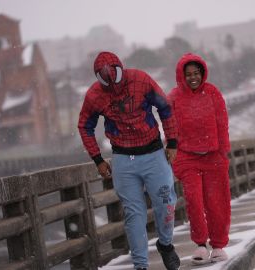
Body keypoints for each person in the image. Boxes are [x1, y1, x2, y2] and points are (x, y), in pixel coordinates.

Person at [78, 51, 180, 270]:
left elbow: (164, 106)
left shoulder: (140, 80)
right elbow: (85, 126)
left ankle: (166, 244)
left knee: (166, 202)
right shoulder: (95, 95)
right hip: (123, 159)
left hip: (153, 153)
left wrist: (172, 142)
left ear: (120, 69)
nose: (110, 81)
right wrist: (98, 159)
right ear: (98, 77)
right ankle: (140, 265)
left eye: (113, 75)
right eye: (104, 78)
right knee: (134, 213)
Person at [168, 53, 231, 265]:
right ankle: (201, 244)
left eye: (196, 73)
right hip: (187, 158)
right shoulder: (174, 97)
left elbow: (222, 123)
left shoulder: (212, 92)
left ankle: (219, 245)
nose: (193, 77)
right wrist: (173, 151)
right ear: (181, 76)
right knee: (194, 200)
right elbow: (168, 126)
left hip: (213, 157)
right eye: (188, 74)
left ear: (202, 73)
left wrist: (223, 151)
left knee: (216, 201)